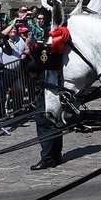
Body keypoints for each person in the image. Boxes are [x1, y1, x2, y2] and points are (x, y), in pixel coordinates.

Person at [30, 27, 68, 170]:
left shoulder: (46, 51)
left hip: (47, 91)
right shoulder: (61, 51)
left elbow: (33, 68)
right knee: (55, 122)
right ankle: (56, 155)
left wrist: (33, 55)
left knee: (44, 123)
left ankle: (47, 158)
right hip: (56, 89)